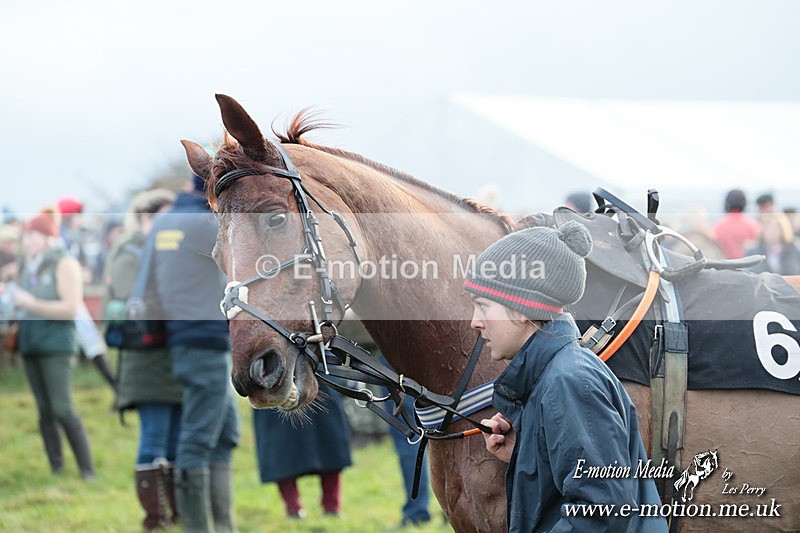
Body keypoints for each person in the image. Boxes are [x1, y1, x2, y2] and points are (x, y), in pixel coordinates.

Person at [465, 221, 668, 532]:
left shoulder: (570, 383)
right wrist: (526, 454)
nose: (474, 322)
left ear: (521, 309)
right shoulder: (552, 376)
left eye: (483, 306)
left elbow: (601, 511)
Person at [151, 174, 239, 532]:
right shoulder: (207, 224)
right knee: (201, 439)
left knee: (223, 435)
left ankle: (222, 526)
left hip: (186, 338)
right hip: (206, 340)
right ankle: (200, 528)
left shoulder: (167, 221)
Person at [105, 189, 182, 531]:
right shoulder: (129, 251)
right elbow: (129, 301)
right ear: (146, 219)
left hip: (166, 358)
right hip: (144, 361)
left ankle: (175, 513)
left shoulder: (156, 250)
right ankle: (155, 519)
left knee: (174, 439)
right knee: (154, 436)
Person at [2, 208, 96, 479]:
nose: (27, 240)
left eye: (32, 235)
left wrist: (31, 304)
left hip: (57, 346)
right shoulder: (26, 266)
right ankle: (56, 467)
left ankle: (86, 469)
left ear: (47, 237)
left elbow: (69, 308)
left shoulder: (64, 263)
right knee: (44, 411)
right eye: (26, 235)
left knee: (62, 407)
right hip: (31, 344)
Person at [337, 315, 431, 528]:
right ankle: (427, 509)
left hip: (399, 356)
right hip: (423, 352)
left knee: (409, 440)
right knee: (435, 435)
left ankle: (417, 512)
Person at [252, 384, 352, 519]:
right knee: (279, 447)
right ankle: (293, 509)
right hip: (272, 377)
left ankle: (332, 506)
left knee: (330, 440)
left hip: (319, 373)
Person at [55, 195, 117, 391]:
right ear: (68, 217)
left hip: (69, 298)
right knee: (90, 342)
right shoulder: (60, 239)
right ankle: (117, 386)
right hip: (63, 300)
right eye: (77, 215)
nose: (80, 219)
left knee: (90, 342)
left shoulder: (69, 237)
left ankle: (117, 386)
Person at [711, 188, 761, 259]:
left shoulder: (719, 226)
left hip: (725, 266)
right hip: (748, 266)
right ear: (744, 204)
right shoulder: (753, 225)